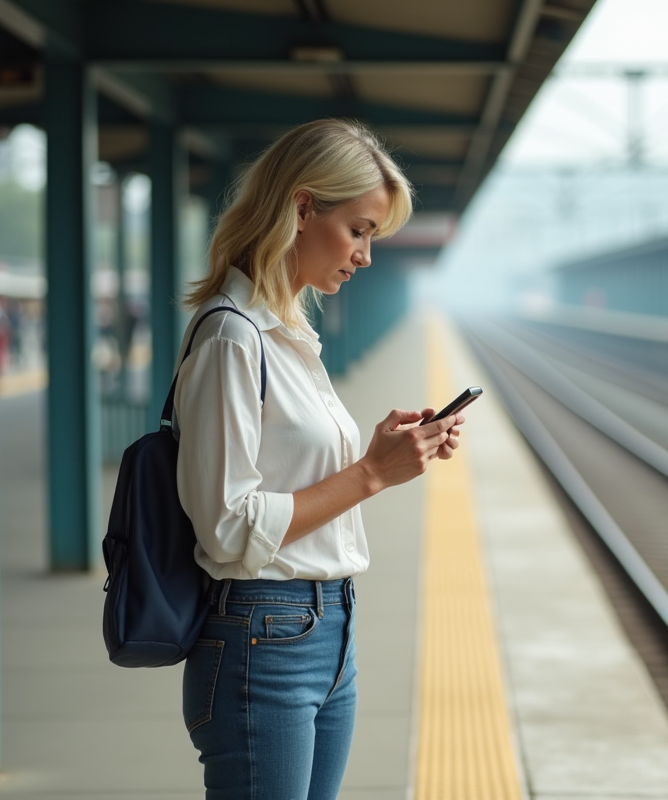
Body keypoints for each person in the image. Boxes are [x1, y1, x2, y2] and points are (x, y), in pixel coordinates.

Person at [174, 118, 463, 799]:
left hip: (328, 628)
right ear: (301, 208)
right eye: (359, 229)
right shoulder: (231, 338)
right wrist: (370, 475)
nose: (365, 255)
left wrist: (381, 454)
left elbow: (289, 477)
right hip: (261, 636)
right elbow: (226, 526)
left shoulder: (293, 333)